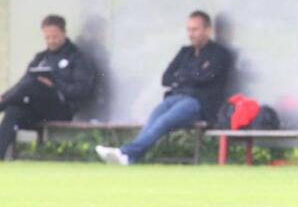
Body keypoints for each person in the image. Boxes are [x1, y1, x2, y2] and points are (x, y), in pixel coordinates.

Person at [95, 11, 231, 165]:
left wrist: (184, 75)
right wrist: (191, 75)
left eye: (195, 30)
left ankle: (125, 152)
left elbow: (205, 78)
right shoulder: (185, 52)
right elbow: (166, 77)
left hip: (198, 103)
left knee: (164, 122)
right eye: (189, 30)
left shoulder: (219, 54)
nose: (191, 34)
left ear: (207, 30)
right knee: (153, 120)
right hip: (174, 98)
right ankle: (128, 157)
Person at [0, 15, 97, 160]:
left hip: (62, 109)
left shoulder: (77, 57)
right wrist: (6, 96)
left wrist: (55, 85)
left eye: (55, 37)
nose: (51, 41)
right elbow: (22, 84)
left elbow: (82, 90)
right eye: (48, 37)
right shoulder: (41, 58)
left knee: (33, 83)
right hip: (37, 109)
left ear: (64, 33)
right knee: (14, 110)